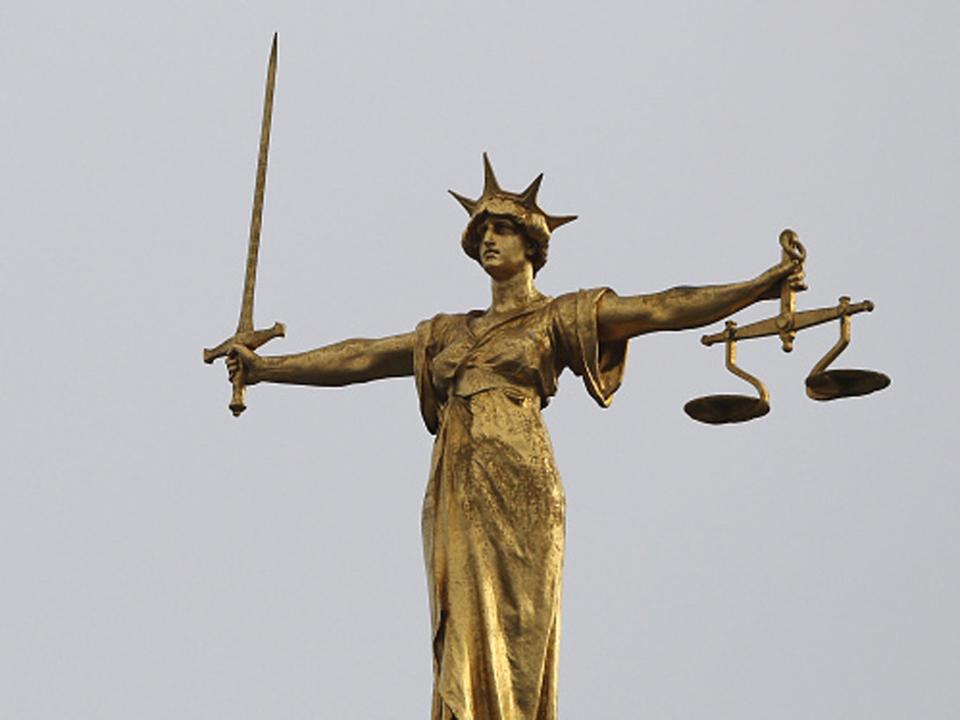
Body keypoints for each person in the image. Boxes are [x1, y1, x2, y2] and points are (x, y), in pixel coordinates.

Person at [226, 154, 803, 720]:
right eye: (482, 232)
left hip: (521, 473)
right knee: (464, 630)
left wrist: (759, 285)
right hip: (460, 477)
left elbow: (661, 308)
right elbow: (363, 357)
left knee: (521, 627)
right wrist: (268, 369)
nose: (488, 240)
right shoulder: (448, 331)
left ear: (533, 245)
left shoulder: (557, 316)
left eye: (503, 229)